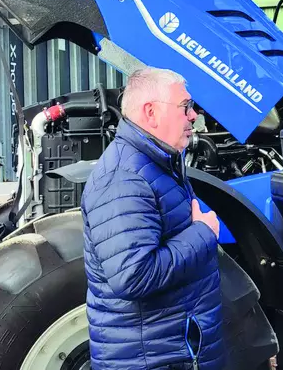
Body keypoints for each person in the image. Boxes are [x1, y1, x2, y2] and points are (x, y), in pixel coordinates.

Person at [81, 66, 224, 370]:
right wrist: (203, 233)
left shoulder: (158, 164)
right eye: (185, 106)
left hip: (171, 352)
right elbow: (134, 275)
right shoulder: (123, 179)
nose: (193, 115)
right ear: (151, 112)